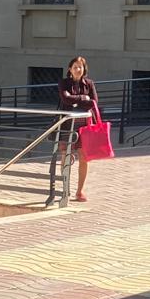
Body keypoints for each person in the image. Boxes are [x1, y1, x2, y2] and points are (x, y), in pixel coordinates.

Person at [57, 55, 98, 202]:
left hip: (84, 126)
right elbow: (65, 98)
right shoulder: (64, 82)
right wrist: (83, 99)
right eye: (75, 67)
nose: (77, 69)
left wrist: (77, 101)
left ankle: (80, 191)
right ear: (70, 69)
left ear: (84, 69)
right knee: (65, 156)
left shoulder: (89, 83)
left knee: (84, 158)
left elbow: (93, 102)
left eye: (80, 67)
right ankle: (65, 188)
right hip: (67, 125)